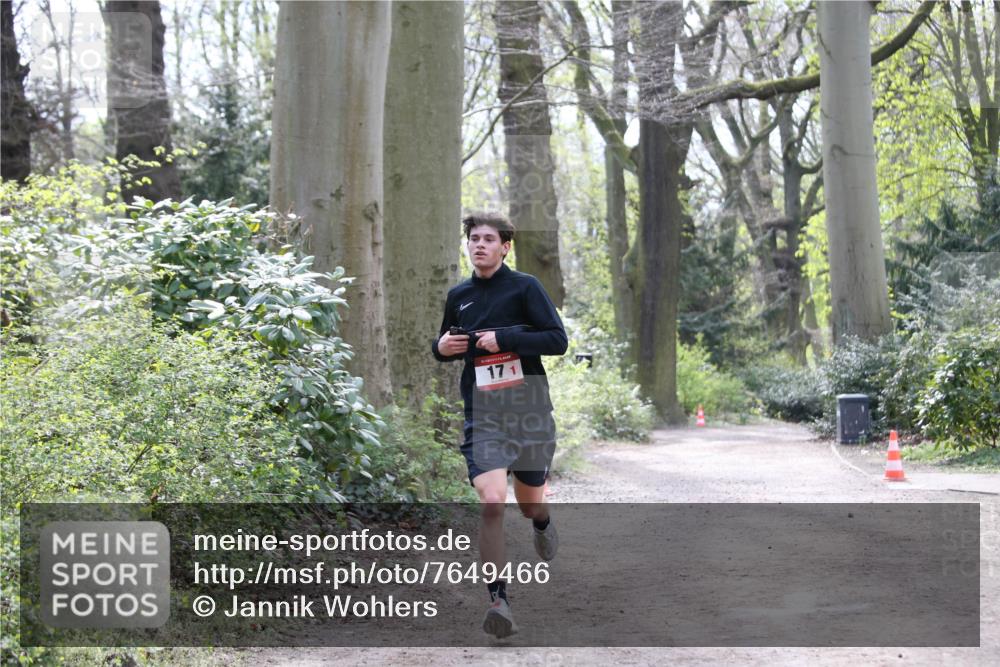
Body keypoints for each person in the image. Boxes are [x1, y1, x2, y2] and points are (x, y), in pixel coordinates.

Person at [432, 211, 568, 639]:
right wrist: (440, 347)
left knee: (528, 504)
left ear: (505, 246)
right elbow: (446, 343)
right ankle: (499, 601)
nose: (480, 245)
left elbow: (556, 340)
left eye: (489, 238)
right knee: (492, 502)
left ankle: (542, 522)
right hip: (483, 414)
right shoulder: (459, 295)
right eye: (474, 238)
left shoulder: (525, 287)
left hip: (528, 413)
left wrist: (506, 338)